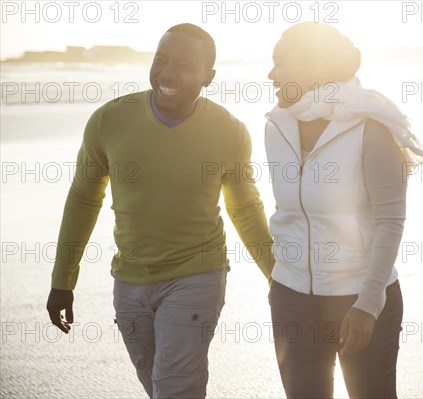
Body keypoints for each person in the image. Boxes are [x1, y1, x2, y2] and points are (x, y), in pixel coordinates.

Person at [45, 23, 274, 399]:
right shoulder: (109, 120)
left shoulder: (229, 131)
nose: (167, 73)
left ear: (208, 77)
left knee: (174, 388)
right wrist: (62, 281)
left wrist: (275, 274)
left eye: (184, 65)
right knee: (157, 384)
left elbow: (244, 207)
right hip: (130, 282)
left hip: (196, 276)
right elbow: (83, 199)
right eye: (161, 60)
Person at [265, 22, 423, 398]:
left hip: (359, 299)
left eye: (280, 63)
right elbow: (287, 212)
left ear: (314, 67)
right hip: (292, 297)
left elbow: (390, 220)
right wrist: (280, 282)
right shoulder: (276, 124)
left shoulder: (370, 126)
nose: (271, 74)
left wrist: (369, 304)